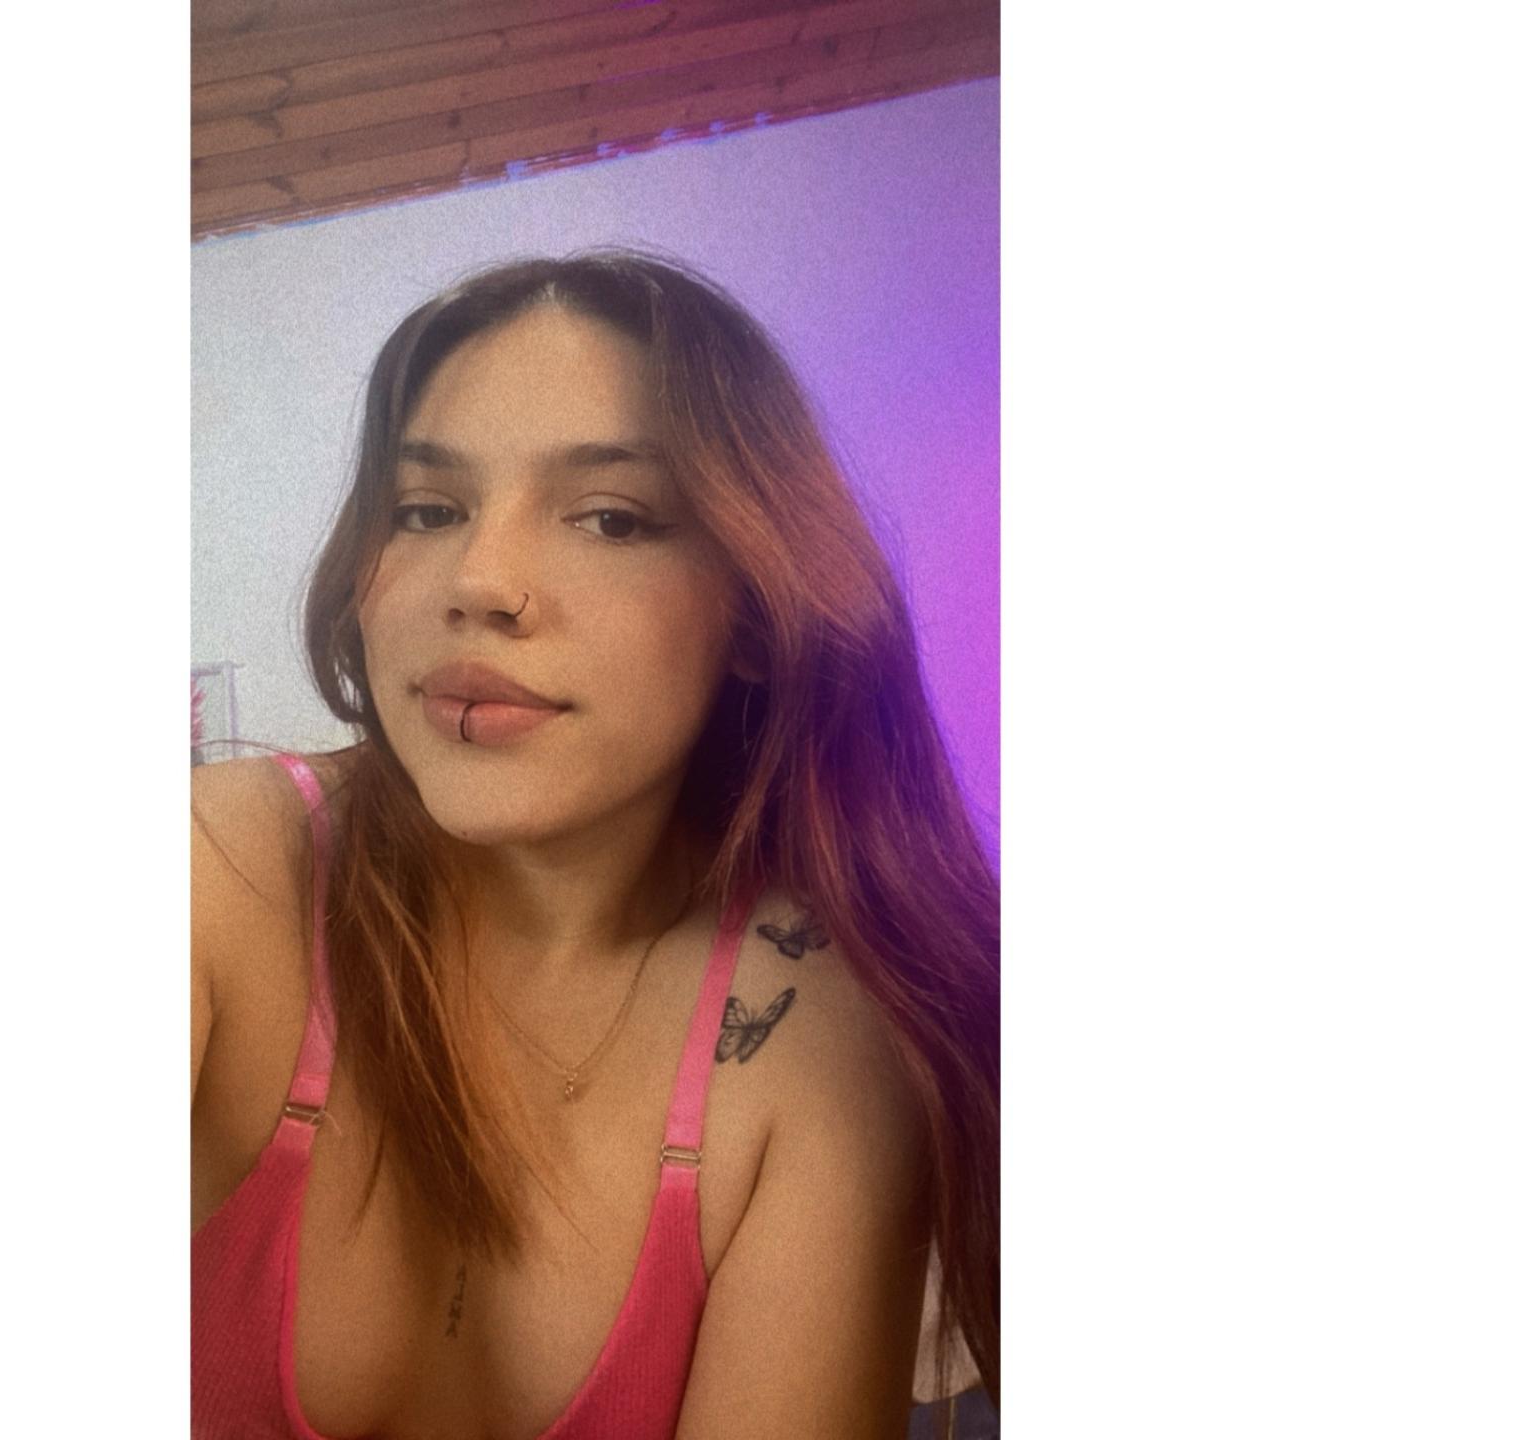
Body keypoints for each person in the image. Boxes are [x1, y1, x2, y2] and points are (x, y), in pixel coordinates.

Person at [191, 249, 999, 1439]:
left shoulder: (810, 1038)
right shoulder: (220, 869)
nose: (480, 581)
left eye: (611, 518)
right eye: (428, 510)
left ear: (756, 611)